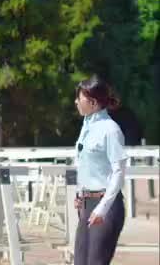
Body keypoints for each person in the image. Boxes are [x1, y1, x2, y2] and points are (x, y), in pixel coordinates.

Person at [73, 75, 128, 265]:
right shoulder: (86, 127)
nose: (76, 102)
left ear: (93, 102)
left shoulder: (110, 130)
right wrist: (79, 193)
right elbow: (84, 163)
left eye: (79, 98)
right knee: (80, 261)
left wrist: (102, 209)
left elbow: (118, 172)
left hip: (106, 205)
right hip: (87, 204)